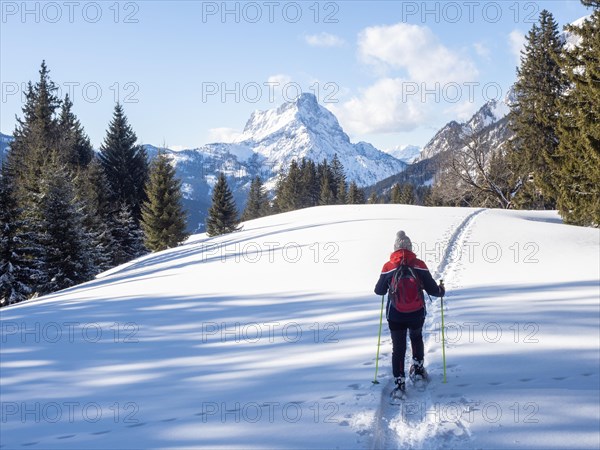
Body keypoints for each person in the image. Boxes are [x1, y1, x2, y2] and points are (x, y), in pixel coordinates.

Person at [374, 230, 445, 392]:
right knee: (416, 337)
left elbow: (379, 291)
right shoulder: (419, 264)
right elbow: (433, 290)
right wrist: (441, 290)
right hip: (417, 313)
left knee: (398, 348)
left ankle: (399, 383)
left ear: (395, 249)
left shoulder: (388, 266)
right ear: (411, 248)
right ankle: (418, 370)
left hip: (395, 315)